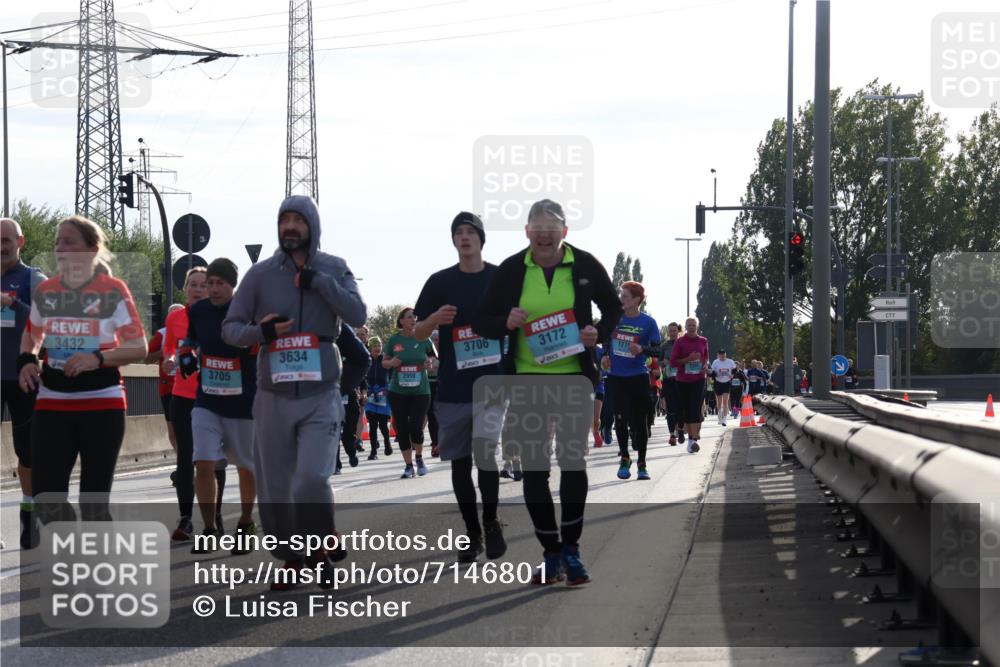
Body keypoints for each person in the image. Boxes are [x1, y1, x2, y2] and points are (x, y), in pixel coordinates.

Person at [222, 194, 367, 590]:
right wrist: (262, 332)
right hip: (273, 394)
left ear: (312, 227)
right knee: (275, 485)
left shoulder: (334, 268)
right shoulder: (260, 275)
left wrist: (320, 284)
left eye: (297, 220)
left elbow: (358, 314)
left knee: (310, 479)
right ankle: (291, 558)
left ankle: (320, 547)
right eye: (283, 220)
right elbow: (230, 329)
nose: (289, 226)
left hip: (321, 392)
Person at [475, 198, 622, 586]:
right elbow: (483, 320)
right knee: (536, 470)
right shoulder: (511, 271)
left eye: (551, 228)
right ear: (527, 233)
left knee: (573, 462)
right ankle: (551, 551)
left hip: (574, 378)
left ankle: (572, 549)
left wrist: (598, 334)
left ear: (564, 233)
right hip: (527, 380)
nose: (544, 234)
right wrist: (505, 321)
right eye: (536, 228)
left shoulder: (585, 264)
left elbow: (612, 309)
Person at [17, 216, 146, 524]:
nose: (60, 247)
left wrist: (97, 358)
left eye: (69, 241)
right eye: (57, 241)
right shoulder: (47, 291)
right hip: (52, 401)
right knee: (46, 500)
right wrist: (26, 361)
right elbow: (32, 334)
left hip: (102, 402)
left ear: (91, 249)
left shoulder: (112, 290)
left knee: (93, 506)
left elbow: (138, 347)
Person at [413, 211, 508, 562]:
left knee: (485, 455)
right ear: (453, 240)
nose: (465, 238)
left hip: (491, 384)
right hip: (454, 385)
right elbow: (418, 332)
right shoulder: (440, 282)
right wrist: (435, 320)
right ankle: (471, 532)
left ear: (482, 239)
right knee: (459, 464)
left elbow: (516, 322)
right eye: (459, 233)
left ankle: (491, 521)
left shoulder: (500, 278)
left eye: (471, 232)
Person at [179, 258, 260, 554]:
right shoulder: (199, 311)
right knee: (202, 461)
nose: (212, 289)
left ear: (232, 285)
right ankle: (210, 528)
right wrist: (186, 351)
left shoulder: (246, 311)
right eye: (209, 283)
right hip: (207, 400)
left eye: (219, 283)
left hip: (242, 402)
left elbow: (258, 342)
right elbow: (191, 338)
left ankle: (246, 522)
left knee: (245, 466)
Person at [163, 266, 227, 540]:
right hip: (183, 396)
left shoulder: (223, 317)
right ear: (185, 289)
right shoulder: (176, 318)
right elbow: (169, 350)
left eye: (204, 284)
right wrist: (169, 361)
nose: (198, 289)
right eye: (194, 284)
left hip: (215, 395)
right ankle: (186, 519)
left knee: (214, 459)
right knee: (186, 456)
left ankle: (216, 516)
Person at [1, 217, 46, 548]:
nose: (1, 246)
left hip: (23, 377)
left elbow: (47, 319)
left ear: (20, 241)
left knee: (27, 453)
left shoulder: (33, 278)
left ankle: (29, 517)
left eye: (7, 240)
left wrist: (13, 302)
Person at [602, 281, 660, 481]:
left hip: (638, 378)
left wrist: (642, 349)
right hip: (616, 377)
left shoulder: (648, 323)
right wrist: (604, 357)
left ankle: (642, 464)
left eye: (625, 296)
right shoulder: (615, 318)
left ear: (636, 300)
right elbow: (607, 341)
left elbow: (657, 350)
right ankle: (625, 458)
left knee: (639, 422)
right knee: (620, 419)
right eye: (621, 296)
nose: (621, 299)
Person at [383, 307, 436, 478]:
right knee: (402, 428)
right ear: (401, 321)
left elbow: (435, 358)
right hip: (398, 391)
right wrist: (391, 362)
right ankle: (408, 465)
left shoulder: (424, 339)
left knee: (415, 426)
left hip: (421, 391)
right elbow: (384, 362)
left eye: (415, 316)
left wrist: (430, 364)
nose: (413, 319)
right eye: (409, 317)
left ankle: (419, 458)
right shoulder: (394, 340)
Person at [669, 317, 708, 453]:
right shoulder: (680, 342)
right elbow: (673, 362)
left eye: (694, 325)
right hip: (683, 380)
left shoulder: (703, 341)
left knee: (694, 409)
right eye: (689, 325)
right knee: (682, 410)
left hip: (698, 379)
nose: (691, 327)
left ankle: (692, 441)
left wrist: (704, 366)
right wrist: (688, 359)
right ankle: (680, 428)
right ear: (685, 327)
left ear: (697, 326)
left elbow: (705, 358)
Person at [336, 322, 371, 473]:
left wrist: (359, 390)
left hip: (349, 394)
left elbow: (362, 374)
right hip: (329, 394)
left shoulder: (351, 352)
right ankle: (335, 463)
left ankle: (351, 452)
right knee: (333, 430)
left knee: (349, 430)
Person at [364, 335, 392, 458]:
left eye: (379, 345)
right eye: (375, 345)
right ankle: (373, 451)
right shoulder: (366, 359)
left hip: (383, 393)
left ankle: (387, 443)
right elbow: (361, 376)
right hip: (370, 394)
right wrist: (364, 391)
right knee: (373, 424)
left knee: (382, 424)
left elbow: (392, 376)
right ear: (370, 348)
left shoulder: (385, 359)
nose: (377, 348)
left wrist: (389, 389)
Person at [658, 322, 685, 447]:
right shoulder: (664, 346)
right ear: (668, 332)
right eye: (670, 331)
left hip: (681, 380)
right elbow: (659, 361)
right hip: (668, 380)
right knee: (670, 408)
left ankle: (680, 429)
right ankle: (671, 434)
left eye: (674, 330)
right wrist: (663, 362)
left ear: (678, 331)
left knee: (680, 407)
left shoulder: (683, 344)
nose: (672, 333)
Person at [709, 349, 736, 426]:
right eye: (721, 356)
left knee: (725, 401)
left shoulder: (730, 361)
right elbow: (712, 371)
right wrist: (714, 374)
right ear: (718, 355)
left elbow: (734, 370)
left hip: (727, 382)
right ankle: (719, 415)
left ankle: (724, 419)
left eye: (724, 356)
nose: (722, 358)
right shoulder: (715, 362)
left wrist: (732, 375)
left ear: (725, 355)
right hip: (718, 382)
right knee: (719, 402)